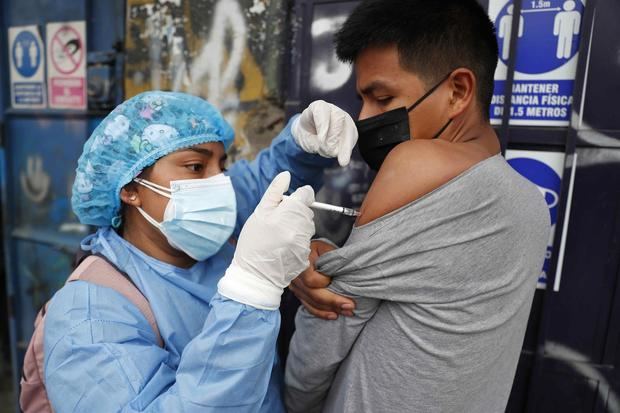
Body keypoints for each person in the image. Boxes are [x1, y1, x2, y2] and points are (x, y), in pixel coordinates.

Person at [285, 1, 550, 412]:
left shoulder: (414, 164)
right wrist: (336, 261)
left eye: (382, 98)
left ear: (458, 91)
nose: (363, 118)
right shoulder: (531, 203)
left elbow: (324, 338)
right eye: (363, 100)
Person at [42, 91, 358, 412]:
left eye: (221, 166)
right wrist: (251, 288)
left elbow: (266, 180)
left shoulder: (201, 224)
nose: (219, 184)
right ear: (130, 190)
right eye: (195, 166)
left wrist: (303, 143)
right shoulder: (88, 318)